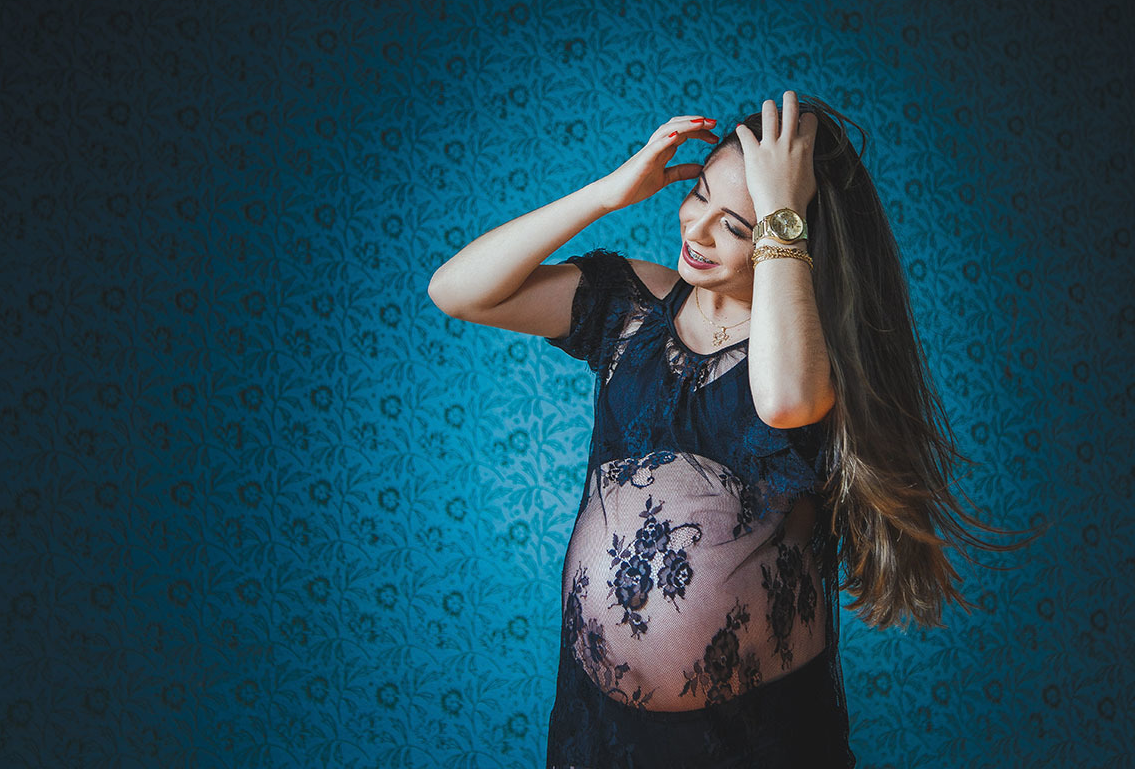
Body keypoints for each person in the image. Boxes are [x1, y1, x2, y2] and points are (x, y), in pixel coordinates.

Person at [427, 91, 1045, 769]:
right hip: (599, 730)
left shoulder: (809, 359)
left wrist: (783, 204)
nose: (696, 230)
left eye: (738, 226)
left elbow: (782, 401)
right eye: (698, 195)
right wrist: (607, 194)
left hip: (753, 738)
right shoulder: (631, 307)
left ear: (792, 236)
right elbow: (457, 291)